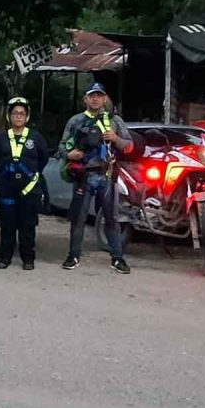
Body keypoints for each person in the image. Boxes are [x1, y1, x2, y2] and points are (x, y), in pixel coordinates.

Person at [58, 82, 133, 274]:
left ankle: (117, 258)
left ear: (105, 98)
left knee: (111, 219)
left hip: (107, 176)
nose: (95, 98)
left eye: (99, 95)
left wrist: (116, 138)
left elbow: (130, 146)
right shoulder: (75, 121)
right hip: (84, 175)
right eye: (92, 95)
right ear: (85, 99)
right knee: (78, 218)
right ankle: (73, 255)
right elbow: (61, 146)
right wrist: (69, 155)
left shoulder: (115, 121)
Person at [0, 97, 49, 270]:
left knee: (28, 225)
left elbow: (43, 159)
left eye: (22, 113)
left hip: (29, 189)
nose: (18, 117)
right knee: (7, 224)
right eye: (15, 113)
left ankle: (28, 259)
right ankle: (4, 258)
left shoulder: (36, 138)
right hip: (7, 188)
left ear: (27, 117)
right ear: (9, 116)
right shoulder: (2, 138)